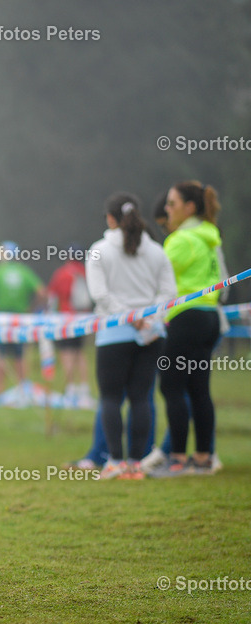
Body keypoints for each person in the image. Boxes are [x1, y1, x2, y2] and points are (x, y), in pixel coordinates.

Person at [86, 193, 176, 480]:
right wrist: (148, 318)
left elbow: (100, 294)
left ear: (111, 218)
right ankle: (136, 464)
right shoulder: (157, 251)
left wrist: (129, 317)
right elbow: (169, 293)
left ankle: (114, 462)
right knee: (141, 398)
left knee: (111, 398)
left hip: (114, 332)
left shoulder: (99, 250)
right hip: (151, 334)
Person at [152, 181, 224, 476]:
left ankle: (178, 459)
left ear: (189, 207)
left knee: (171, 386)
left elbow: (156, 277)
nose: (167, 210)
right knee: (198, 389)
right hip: (210, 317)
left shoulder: (182, 239)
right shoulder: (208, 237)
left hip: (186, 318)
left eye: (172, 204)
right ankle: (203, 458)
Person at [0, 241, 46, 395]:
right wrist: (31, 309)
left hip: (0, 318)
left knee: (0, 356)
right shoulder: (24, 271)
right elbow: (41, 292)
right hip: (20, 318)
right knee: (20, 356)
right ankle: (22, 390)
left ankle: (0, 391)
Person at [47, 243, 92, 405]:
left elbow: (52, 297)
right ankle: (84, 388)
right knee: (80, 353)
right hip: (83, 318)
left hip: (65, 319)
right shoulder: (85, 272)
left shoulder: (62, 273)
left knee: (66, 353)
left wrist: (50, 316)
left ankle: (71, 388)